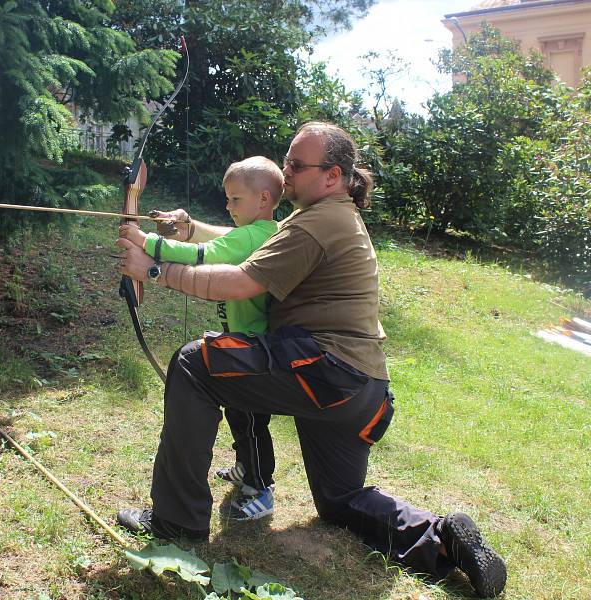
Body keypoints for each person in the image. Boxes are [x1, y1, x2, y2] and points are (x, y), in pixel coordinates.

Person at [115, 122, 507, 598]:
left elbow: (240, 280)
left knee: (196, 364)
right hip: (361, 391)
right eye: (287, 162)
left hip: (323, 370)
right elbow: (259, 238)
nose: (287, 172)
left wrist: (154, 269)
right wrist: (191, 228)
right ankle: (442, 541)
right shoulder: (328, 217)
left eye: (297, 165)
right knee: (340, 500)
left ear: (332, 175)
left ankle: (177, 521)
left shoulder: (319, 222)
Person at [119, 156, 282, 520]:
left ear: (265, 199)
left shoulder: (257, 235)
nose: (228, 206)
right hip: (244, 342)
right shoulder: (254, 232)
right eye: (227, 198)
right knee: (240, 413)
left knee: (252, 421)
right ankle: (245, 469)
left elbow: (203, 255)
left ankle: (261, 486)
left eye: (235, 199)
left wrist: (148, 244)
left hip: (259, 348)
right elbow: (209, 240)